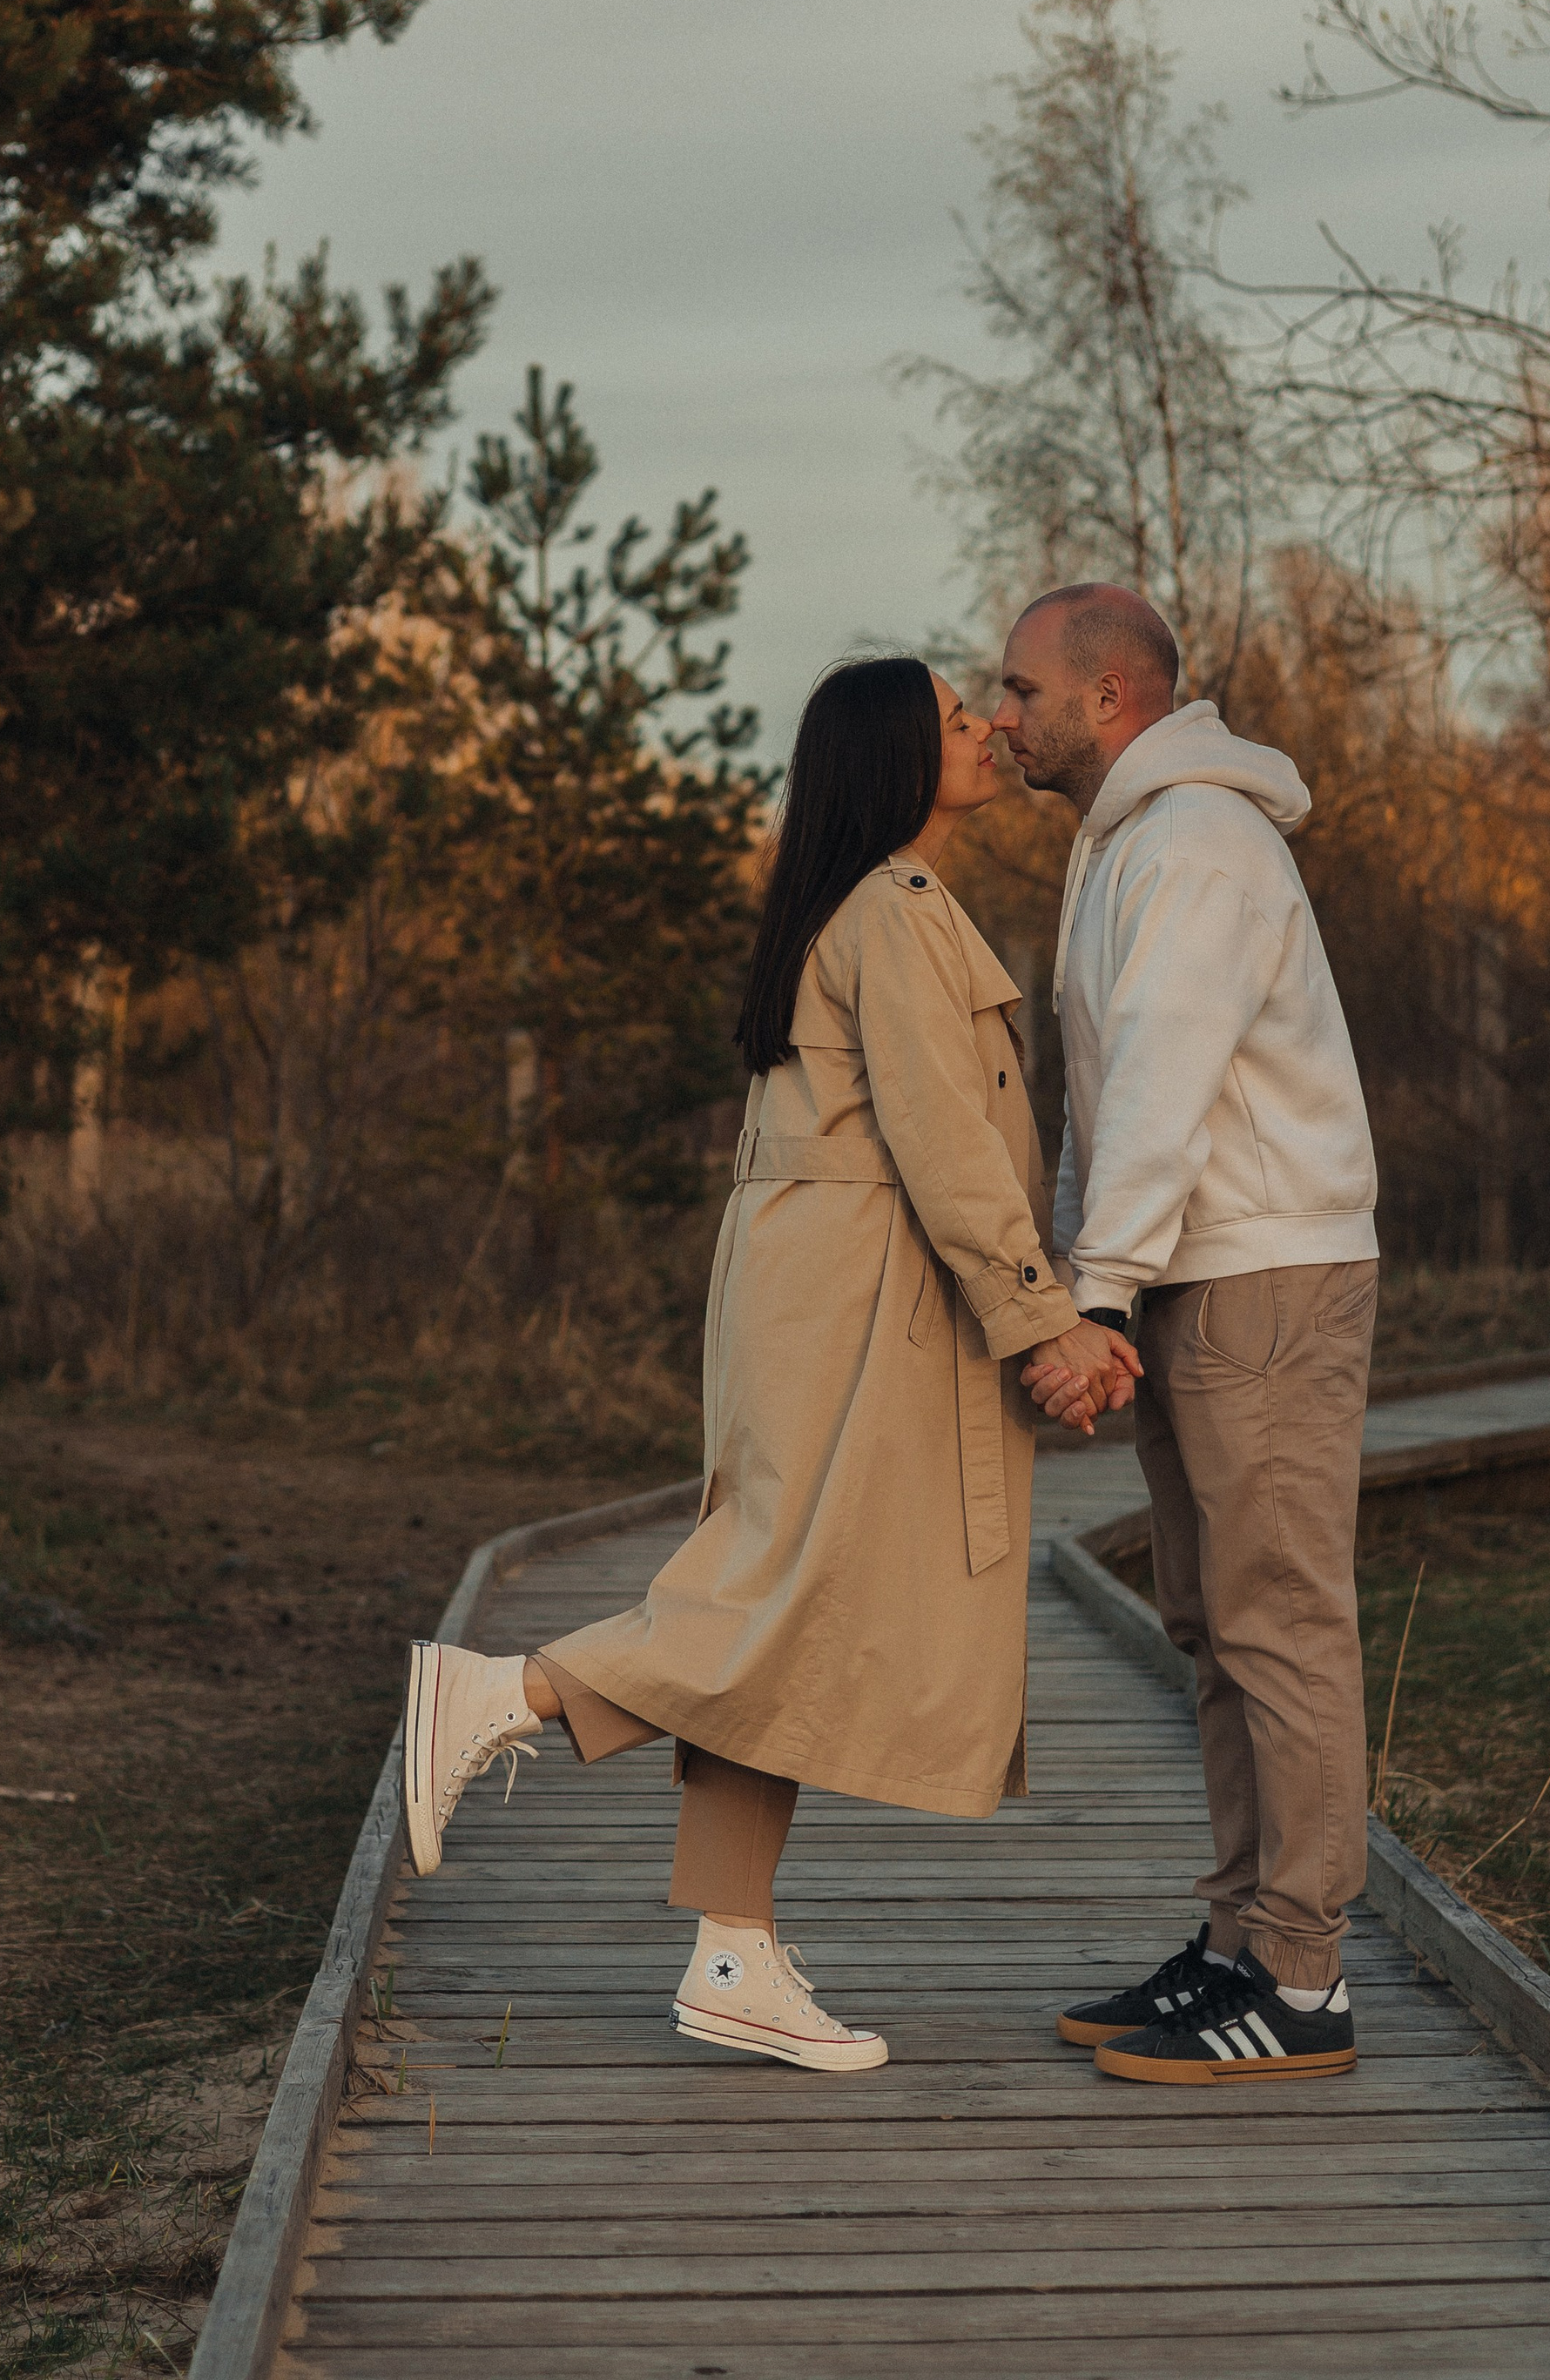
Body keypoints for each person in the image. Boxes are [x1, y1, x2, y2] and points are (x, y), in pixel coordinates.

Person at [401, 655, 1136, 2072]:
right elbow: (949, 1151)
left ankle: (732, 1948)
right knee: (772, 1598)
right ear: (885, 759)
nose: (985, 725)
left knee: (779, 1606)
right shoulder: (894, 913)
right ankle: (503, 1693)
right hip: (857, 1303)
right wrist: (1043, 1320)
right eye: (950, 718)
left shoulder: (854, 909)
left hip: (816, 1291)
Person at [993, 583, 1380, 2087]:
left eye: (1021, 688)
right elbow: (1104, 1103)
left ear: (1109, 699)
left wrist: (1097, 1292)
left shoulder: (1199, 846)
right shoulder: (1128, 845)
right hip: (1195, 1274)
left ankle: (1301, 1974)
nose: (1001, 712)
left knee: (1280, 1616)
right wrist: (1091, 1277)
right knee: (1214, 1620)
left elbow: (1162, 1082)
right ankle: (1234, 1938)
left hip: (1265, 1271)